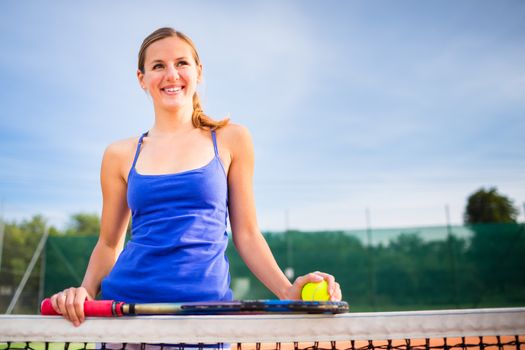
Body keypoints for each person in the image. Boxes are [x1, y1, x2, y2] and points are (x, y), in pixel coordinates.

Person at [50, 27, 342, 327]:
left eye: (181, 63)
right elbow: (110, 244)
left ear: (198, 72)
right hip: (127, 314)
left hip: (205, 317)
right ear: (142, 79)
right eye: (158, 66)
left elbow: (247, 234)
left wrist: (286, 290)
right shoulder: (118, 155)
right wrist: (85, 290)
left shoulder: (232, 139)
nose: (171, 74)